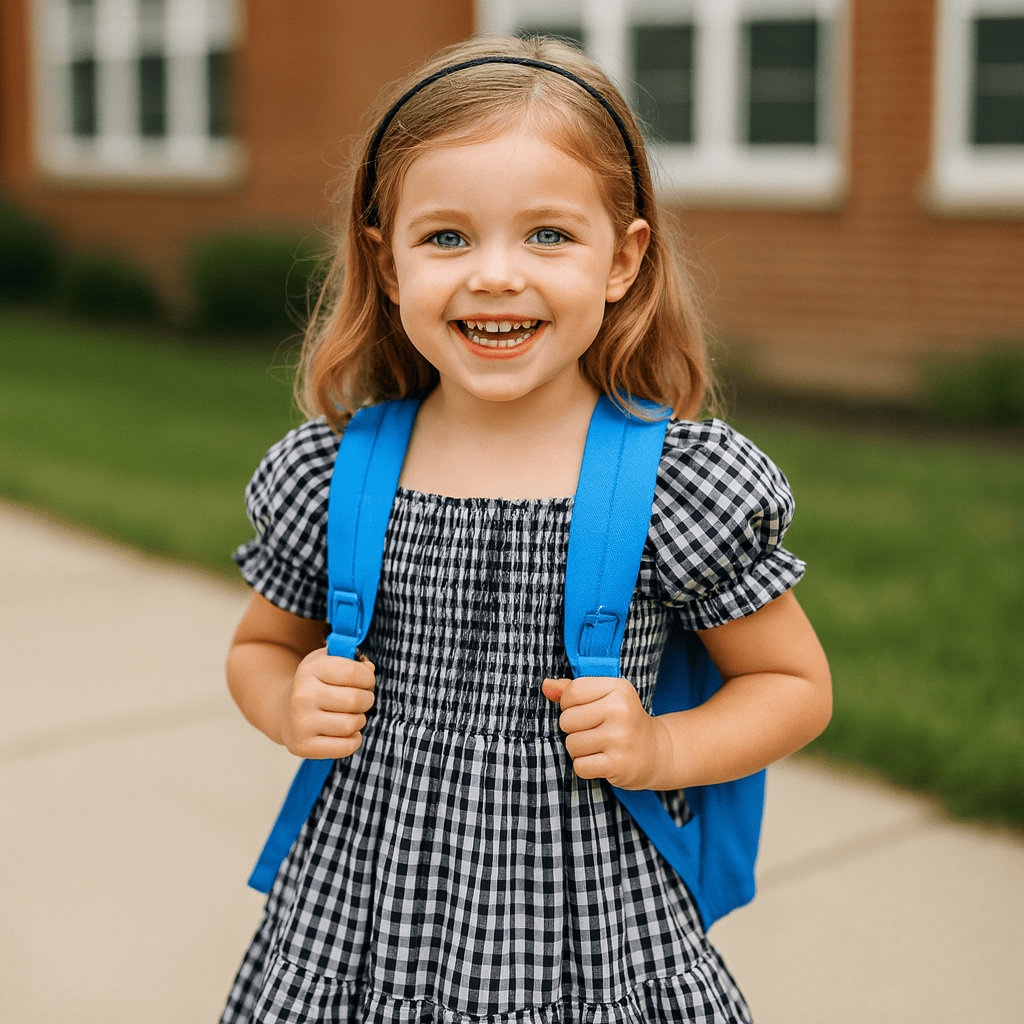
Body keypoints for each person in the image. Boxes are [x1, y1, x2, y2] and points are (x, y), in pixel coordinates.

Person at [220, 33, 831, 1024]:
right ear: (385, 263)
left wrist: (659, 748)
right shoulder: (333, 474)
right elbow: (259, 647)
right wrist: (289, 702)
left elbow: (793, 686)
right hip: (362, 911)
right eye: (446, 238)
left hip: (585, 930)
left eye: (547, 235)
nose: (495, 276)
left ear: (622, 258)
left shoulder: (674, 485)